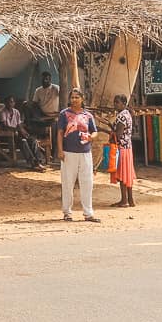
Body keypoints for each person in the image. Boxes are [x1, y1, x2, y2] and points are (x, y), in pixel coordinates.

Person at [57, 87, 101, 222]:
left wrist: (91, 137)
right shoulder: (64, 114)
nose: (74, 100)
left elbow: (95, 131)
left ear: (82, 99)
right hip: (68, 153)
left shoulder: (88, 116)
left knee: (87, 182)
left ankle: (88, 213)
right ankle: (67, 212)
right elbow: (59, 133)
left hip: (85, 153)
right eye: (72, 97)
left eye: (77, 97)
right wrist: (60, 150)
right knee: (67, 183)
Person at [104, 94, 137, 208]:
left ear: (123, 103)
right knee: (127, 174)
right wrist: (108, 123)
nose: (115, 105)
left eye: (117, 102)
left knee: (122, 175)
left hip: (121, 148)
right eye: (115, 102)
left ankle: (124, 200)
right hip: (127, 147)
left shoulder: (122, 116)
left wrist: (102, 129)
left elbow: (118, 134)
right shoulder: (126, 114)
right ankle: (130, 200)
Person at [0, 95, 46, 171]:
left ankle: (38, 162)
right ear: (5, 103)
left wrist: (24, 132)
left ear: (14, 103)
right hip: (6, 137)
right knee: (23, 141)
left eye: (12, 102)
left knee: (32, 140)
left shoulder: (16, 112)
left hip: (16, 136)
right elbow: (4, 126)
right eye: (9, 102)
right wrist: (17, 130)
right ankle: (32, 163)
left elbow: (19, 125)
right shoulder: (2, 113)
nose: (11, 103)